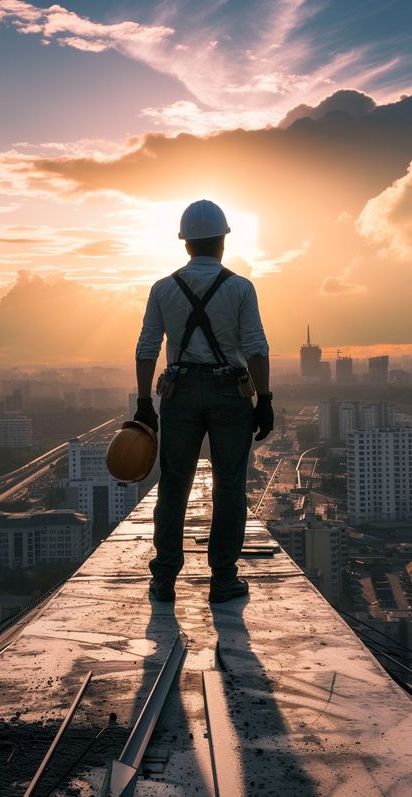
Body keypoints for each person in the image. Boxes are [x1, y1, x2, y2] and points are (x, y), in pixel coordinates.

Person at [134, 199, 273, 603]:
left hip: (178, 394)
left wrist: (144, 402)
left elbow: (146, 348)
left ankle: (163, 580)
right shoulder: (241, 288)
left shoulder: (163, 288)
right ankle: (223, 579)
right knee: (230, 486)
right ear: (222, 241)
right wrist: (264, 399)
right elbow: (256, 349)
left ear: (186, 244)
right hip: (230, 393)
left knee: (174, 484)